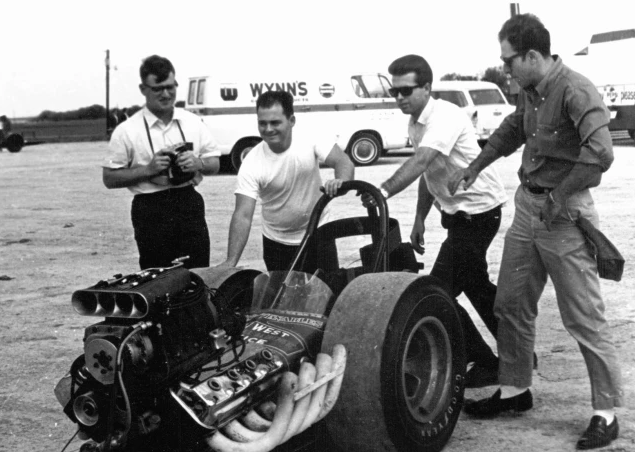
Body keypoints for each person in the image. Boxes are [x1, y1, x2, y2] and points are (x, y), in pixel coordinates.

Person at [454, 14, 624, 450]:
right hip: (529, 209)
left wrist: (558, 197)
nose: (505, 69)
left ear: (533, 55)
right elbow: (514, 130)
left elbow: (600, 154)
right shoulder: (531, 92)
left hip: (564, 216)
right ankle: (515, 390)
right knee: (510, 303)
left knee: (583, 316)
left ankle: (605, 412)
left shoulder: (575, 88)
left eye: (509, 61)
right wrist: (475, 166)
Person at [375, 54, 508, 386]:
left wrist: (383, 190)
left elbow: (421, 162)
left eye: (406, 90)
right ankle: (517, 351)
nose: (399, 98)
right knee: (476, 286)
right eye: (395, 92)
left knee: (436, 294)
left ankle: (488, 361)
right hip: (458, 216)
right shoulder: (416, 123)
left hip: (479, 214)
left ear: (427, 87)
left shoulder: (445, 116)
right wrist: (420, 218)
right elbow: (430, 174)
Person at [102, 55, 220, 270]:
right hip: (150, 208)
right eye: (158, 89)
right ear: (143, 88)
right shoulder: (127, 130)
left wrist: (198, 164)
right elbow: (109, 178)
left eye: (170, 87)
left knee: (198, 272)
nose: (166, 94)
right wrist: (148, 170)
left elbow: (215, 163)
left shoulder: (193, 121)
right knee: (157, 277)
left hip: (188, 203)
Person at [220, 90, 354, 273]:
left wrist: (341, 182)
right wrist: (230, 261)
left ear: (291, 121)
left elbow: (343, 161)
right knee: (284, 300)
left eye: (275, 122)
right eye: (262, 123)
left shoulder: (310, 138)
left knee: (327, 295)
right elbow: (243, 215)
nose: (268, 129)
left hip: (319, 233)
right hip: (277, 243)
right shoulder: (252, 162)